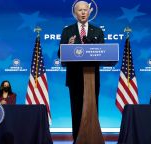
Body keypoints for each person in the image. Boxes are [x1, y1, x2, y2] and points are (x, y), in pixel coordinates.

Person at [58, 0, 104, 140]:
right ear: (74, 13)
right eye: (80, 10)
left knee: (92, 107)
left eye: (85, 10)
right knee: (76, 109)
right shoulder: (67, 31)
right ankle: (77, 138)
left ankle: (92, 138)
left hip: (92, 77)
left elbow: (103, 52)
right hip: (74, 77)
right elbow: (60, 54)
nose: (83, 12)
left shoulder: (97, 31)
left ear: (90, 12)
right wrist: (68, 46)